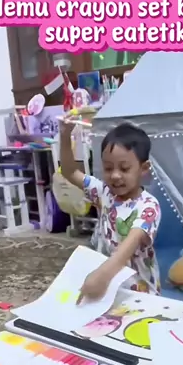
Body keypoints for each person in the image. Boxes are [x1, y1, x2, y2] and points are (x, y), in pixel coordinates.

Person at [60, 119, 161, 300]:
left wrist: (102, 275)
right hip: (108, 287)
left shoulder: (148, 206)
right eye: (108, 168)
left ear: (143, 168)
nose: (115, 175)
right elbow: (70, 172)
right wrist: (65, 135)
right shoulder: (103, 192)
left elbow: (129, 245)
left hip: (139, 291)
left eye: (124, 168)